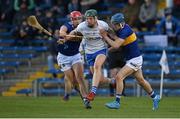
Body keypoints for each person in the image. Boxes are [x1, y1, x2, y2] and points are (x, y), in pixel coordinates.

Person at [100, 13, 160, 110]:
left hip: (134, 59)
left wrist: (105, 36)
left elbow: (116, 45)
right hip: (133, 59)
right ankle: (155, 97)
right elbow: (116, 39)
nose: (113, 26)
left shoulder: (125, 31)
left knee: (119, 77)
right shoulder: (121, 29)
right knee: (141, 81)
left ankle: (117, 102)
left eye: (114, 24)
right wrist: (106, 50)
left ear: (120, 24)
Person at [60, 9, 114, 103]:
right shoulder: (82, 26)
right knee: (99, 79)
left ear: (95, 18)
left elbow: (112, 32)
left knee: (97, 66)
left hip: (101, 49)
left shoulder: (103, 25)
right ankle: (112, 81)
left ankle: (92, 92)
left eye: (90, 19)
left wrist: (118, 39)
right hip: (89, 53)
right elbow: (72, 33)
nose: (88, 20)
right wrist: (64, 40)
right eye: (87, 18)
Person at [57, 11, 91, 109]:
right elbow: (62, 32)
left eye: (79, 18)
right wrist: (64, 37)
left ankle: (85, 99)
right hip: (63, 57)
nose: (77, 21)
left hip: (76, 55)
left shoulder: (84, 28)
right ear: (71, 20)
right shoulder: (66, 26)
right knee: (73, 82)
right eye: (75, 19)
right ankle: (72, 92)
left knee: (80, 77)